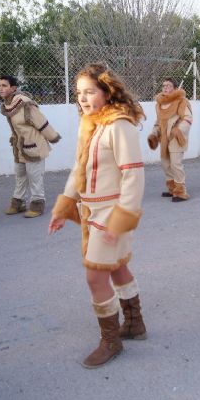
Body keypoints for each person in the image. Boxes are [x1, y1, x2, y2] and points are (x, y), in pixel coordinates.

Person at [49, 63, 147, 368]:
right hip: (92, 211)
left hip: (113, 211)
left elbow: (133, 176)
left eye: (90, 91)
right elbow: (79, 169)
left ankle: (111, 340)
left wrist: (120, 221)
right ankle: (133, 323)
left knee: (95, 275)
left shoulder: (120, 125)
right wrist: (64, 207)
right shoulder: (90, 124)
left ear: (107, 91)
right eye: (79, 92)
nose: (83, 98)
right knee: (116, 268)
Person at [0, 75, 61, 217]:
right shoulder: (8, 105)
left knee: (34, 176)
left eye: (4, 85)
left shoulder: (25, 104)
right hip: (19, 147)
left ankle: (37, 205)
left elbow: (42, 122)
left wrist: (53, 137)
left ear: (13, 88)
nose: (0, 88)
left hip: (34, 146)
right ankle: (18, 203)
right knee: (20, 174)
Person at [147, 78, 193, 201]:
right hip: (163, 140)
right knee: (165, 164)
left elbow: (188, 119)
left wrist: (177, 130)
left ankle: (180, 191)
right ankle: (172, 188)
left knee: (176, 164)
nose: (165, 88)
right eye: (164, 86)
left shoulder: (181, 101)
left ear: (175, 88)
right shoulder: (159, 104)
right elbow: (158, 122)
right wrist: (154, 133)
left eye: (168, 86)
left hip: (176, 138)